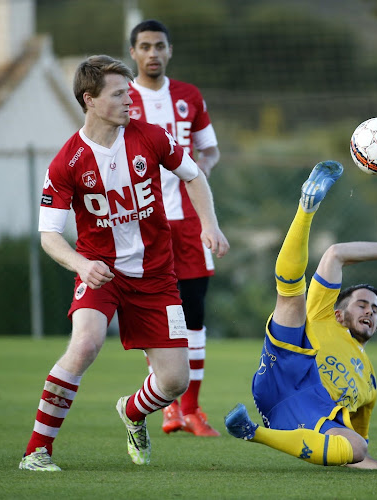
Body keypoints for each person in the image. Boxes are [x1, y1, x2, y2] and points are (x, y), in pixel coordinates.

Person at [18, 55, 229, 471]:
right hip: (102, 273)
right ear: (90, 99)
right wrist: (80, 264)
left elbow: (193, 175)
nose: (129, 99)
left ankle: (133, 412)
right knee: (85, 345)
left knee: (174, 382)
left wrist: (210, 225)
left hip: (156, 276)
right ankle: (37, 451)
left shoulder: (152, 136)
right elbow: (48, 236)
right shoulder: (67, 162)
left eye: (129, 91)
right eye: (118, 93)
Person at [224, 160, 377, 469]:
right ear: (339, 314)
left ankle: (252, 432)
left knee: (357, 446)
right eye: (361, 304)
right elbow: (335, 254)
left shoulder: (369, 384)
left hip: (306, 416)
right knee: (293, 301)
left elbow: (351, 449)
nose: (369, 312)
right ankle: (306, 208)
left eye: (375, 309)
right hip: (284, 371)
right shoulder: (324, 315)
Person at [128, 19, 222, 437]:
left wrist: (199, 172)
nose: (152, 53)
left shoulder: (188, 97)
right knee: (156, 318)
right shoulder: (121, 97)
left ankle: (193, 409)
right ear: (133, 53)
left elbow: (211, 150)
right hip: (140, 224)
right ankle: (167, 407)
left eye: (159, 46)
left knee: (195, 313)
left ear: (169, 51)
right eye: (144, 46)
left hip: (187, 222)